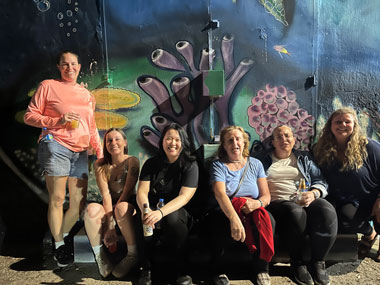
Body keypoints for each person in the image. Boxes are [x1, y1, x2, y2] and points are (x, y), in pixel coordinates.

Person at [24, 51, 103, 267]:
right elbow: (29, 116)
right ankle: (59, 247)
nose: (70, 68)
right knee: (58, 198)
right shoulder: (48, 86)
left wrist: (99, 150)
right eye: (65, 64)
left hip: (80, 150)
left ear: (79, 67)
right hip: (55, 144)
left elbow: (91, 125)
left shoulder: (86, 94)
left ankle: (61, 239)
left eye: (73, 64)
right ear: (59, 67)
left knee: (77, 203)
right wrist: (58, 120)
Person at [255, 125, 337, 285]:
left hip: (303, 199)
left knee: (327, 211)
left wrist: (313, 193)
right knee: (294, 211)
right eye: (279, 137)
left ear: (294, 140)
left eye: (287, 136)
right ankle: (298, 263)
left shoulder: (304, 158)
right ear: (272, 142)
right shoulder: (261, 159)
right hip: (277, 203)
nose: (284, 139)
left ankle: (318, 262)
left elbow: (320, 181)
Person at [313, 107, 380, 262]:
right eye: (338, 122)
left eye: (347, 121)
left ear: (354, 125)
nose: (342, 124)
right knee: (342, 218)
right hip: (347, 202)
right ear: (330, 125)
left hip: (372, 198)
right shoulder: (320, 149)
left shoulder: (369, 147)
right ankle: (370, 234)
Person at [210, 125, 274, 285]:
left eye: (238, 139)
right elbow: (220, 193)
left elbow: (266, 196)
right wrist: (234, 218)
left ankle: (261, 268)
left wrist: (256, 204)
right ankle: (219, 270)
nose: (234, 143)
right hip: (228, 207)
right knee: (219, 222)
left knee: (268, 220)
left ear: (244, 143)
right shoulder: (218, 166)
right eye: (229, 141)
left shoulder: (256, 164)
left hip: (252, 207)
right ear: (224, 146)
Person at [136, 123, 199, 285]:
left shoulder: (190, 164)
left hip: (179, 212)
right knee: (140, 219)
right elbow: (142, 191)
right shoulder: (151, 164)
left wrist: (160, 213)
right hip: (153, 209)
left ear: (183, 142)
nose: (172, 143)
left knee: (172, 217)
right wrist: (146, 209)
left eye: (177, 139)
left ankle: (182, 272)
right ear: (162, 141)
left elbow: (185, 197)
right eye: (168, 138)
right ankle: (146, 270)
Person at [83, 128, 140, 278]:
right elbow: (106, 195)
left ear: (125, 142)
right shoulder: (100, 164)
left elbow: (127, 193)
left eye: (117, 139)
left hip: (127, 205)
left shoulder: (132, 161)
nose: (113, 143)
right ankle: (99, 256)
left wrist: (113, 220)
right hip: (109, 205)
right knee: (91, 210)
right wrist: (110, 225)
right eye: (109, 140)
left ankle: (132, 255)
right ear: (105, 144)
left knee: (120, 208)